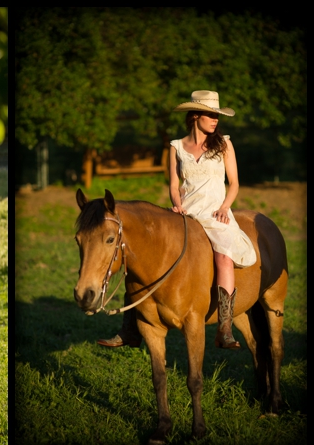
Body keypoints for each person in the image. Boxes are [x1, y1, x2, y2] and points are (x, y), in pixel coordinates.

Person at [98, 90, 257, 350]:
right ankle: (129, 329)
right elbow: (174, 184)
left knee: (224, 257)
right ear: (195, 116)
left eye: (217, 116)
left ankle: (225, 326)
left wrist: (225, 207)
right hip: (187, 212)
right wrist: (178, 205)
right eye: (210, 115)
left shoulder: (224, 144)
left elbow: (235, 183)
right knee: (146, 257)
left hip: (216, 212)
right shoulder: (176, 147)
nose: (215, 120)